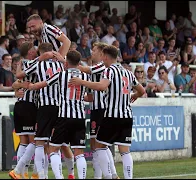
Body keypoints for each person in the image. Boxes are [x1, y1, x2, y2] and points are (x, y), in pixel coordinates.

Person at [69, 45, 145, 179]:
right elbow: (142, 90)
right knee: (125, 151)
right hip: (127, 115)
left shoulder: (109, 71)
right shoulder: (127, 72)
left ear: (105, 56)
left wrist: (82, 82)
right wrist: (134, 95)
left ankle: (110, 176)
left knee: (99, 146)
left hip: (111, 115)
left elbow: (102, 86)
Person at [27, 50, 89, 179]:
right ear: (79, 62)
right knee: (79, 153)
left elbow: (43, 84)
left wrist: (30, 86)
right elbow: (91, 97)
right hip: (80, 117)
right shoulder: (85, 77)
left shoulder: (61, 75)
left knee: (53, 150)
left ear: (66, 62)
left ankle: (59, 177)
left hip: (64, 117)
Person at [14, 43, 65, 179]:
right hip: (58, 106)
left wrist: (18, 85)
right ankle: (33, 173)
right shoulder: (61, 65)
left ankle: (30, 173)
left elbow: (18, 76)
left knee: (36, 141)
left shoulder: (36, 64)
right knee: (47, 143)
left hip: (41, 106)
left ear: (40, 52)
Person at [78, 42, 119, 179]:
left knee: (98, 145)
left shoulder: (102, 66)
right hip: (96, 110)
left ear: (102, 54)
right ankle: (111, 175)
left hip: (102, 109)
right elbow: (90, 97)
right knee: (98, 145)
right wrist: (76, 97)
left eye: (94, 50)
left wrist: (66, 62)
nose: (92, 52)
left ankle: (108, 175)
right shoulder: (95, 71)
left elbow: (85, 70)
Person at [9, 42, 39, 179]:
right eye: (33, 49)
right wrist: (19, 86)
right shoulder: (33, 64)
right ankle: (19, 170)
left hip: (20, 105)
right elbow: (18, 81)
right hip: (29, 105)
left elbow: (16, 81)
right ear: (30, 51)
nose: (36, 50)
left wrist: (17, 87)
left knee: (24, 141)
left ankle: (22, 173)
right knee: (35, 141)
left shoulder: (22, 63)